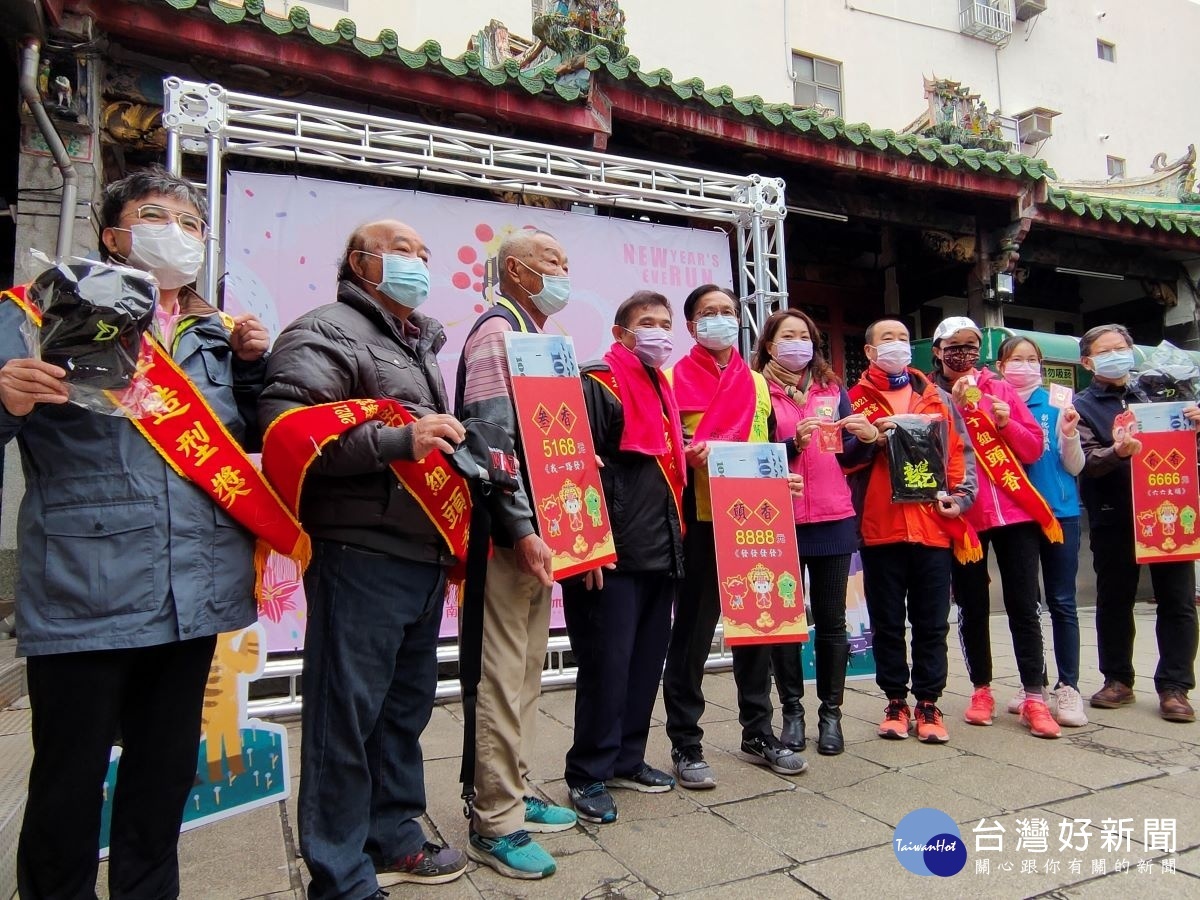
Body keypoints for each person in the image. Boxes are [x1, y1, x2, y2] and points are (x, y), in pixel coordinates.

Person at [6, 166, 270, 899]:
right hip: (85, 592)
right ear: (115, 234)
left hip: (193, 594)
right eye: (158, 217)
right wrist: (4, 397)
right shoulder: (39, 309)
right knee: (67, 790)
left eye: (191, 225)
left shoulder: (214, 335)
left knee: (161, 785)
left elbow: (244, 441)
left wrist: (251, 371)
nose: (178, 235)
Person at [259, 219, 468, 897]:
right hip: (358, 549)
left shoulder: (417, 344)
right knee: (344, 718)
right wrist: (397, 442)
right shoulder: (323, 329)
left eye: (424, 252)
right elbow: (288, 436)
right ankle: (339, 872)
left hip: (421, 549)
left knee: (404, 710)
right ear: (360, 261)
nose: (418, 262)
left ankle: (394, 834)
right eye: (402, 250)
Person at [455, 229, 577, 880]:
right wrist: (521, 527)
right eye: (553, 262)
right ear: (517, 271)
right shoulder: (497, 334)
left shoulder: (538, 340)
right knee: (501, 673)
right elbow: (492, 444)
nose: (564, 272)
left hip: (543, 528)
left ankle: (521, 787)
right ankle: (495, 819)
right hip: (511, 533)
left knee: (530, 667)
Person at [662, 284, 807, 788]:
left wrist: (783, 475)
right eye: (708, 313)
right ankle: (685, 741)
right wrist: (687, 455)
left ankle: (758, 731)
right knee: (693, 637)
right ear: (691, 325)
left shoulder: (758, 384)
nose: (720, 319)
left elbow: (767, 448)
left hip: (754, 519)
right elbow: (663, 453)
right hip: (699, 518)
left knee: (757, 627)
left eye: (727, 311)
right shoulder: (672, 379)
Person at [561, 290, 686, 824]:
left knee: (643, 664)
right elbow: (573, 466)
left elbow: (665, 465)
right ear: (620, 334)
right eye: (646, 323)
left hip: (660, 546)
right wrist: (585, 546)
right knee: (605, 667)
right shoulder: (597, 380)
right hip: (610, 552)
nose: (659, 332)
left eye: (665, 322)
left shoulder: (662, 386)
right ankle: (587, 772)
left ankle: (627, 758)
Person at [845, 318, 977, 744]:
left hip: (933, 529)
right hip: (880, 529)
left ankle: (928, 702)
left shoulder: (935, 397)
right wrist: (870, 439)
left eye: (903, 338)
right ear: (868, 351)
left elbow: (957, 456)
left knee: (931, 622)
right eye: (887, 339)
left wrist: (957, 499)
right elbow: (843, 462)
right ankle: (895, 701)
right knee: (886, 623)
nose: (897, 345)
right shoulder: (855, 400)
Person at [930, 316, 1061, 740]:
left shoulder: (999, 388)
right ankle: (981, 689)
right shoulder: (930, 395)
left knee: (1025, 604)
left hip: (1014, 512)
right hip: (965, 513)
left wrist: (1005, 422)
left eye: (971, 345)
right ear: (938, 350)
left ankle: (1034, 695)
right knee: (972, 605)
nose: (963, 353)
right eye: (954, 346)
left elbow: (1034, 447)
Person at [751, 309, 875, 756]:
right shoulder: (757, 390)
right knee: (786, 624)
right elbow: (748, 453)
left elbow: (846, 456)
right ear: (769, 344)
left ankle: (831, 715)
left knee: (832, 621)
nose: (798, 343)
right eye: (788, 336)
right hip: (778, 520)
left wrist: (864, 436)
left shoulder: (831, 388)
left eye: (805, 336)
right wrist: (790, 446)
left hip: (833, 516)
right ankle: (793, 714)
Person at [1074, 323, 1200, 723]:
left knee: (1178, 601)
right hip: (1116, 515)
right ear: (1088, 361)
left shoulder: (1165, 391)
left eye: (1122, 347)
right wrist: (1119, 450)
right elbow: (1087, 462)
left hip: (1171, 514)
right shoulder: (1081, 405)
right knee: (1114, 600)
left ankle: (1175, 686)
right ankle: (1118, 680)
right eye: (1106, 350)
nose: (1117, 354)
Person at [995, 336, 1088, 727]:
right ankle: (1034, 682)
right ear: (1001, 366)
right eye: (1017, 359)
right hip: (1017, 517)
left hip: (1058, 511)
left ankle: (1069, 686)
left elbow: (1075, 465)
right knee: (1025, 604)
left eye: (1032, 359)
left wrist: (1068, 433)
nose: (1025, 365)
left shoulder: (1058, 403)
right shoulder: (991, 405)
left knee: (1062, 601)